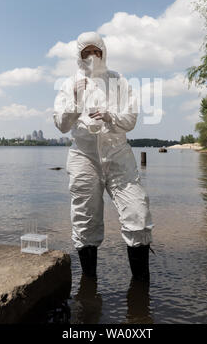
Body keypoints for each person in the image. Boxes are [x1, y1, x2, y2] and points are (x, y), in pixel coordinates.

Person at [53, 32, 154, 281]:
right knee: (85, 221)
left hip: (118, 153)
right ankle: (89, 286)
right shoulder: (69, 84)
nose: (91, 57)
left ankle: (141, 290)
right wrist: (76, 101)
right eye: (85, 52)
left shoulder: (118, 81)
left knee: (138, 214)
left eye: (95, 51)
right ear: (79, 55)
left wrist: (110, 115)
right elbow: (61, 125)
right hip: (83, 156)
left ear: (103, 52)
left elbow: (130, 120)